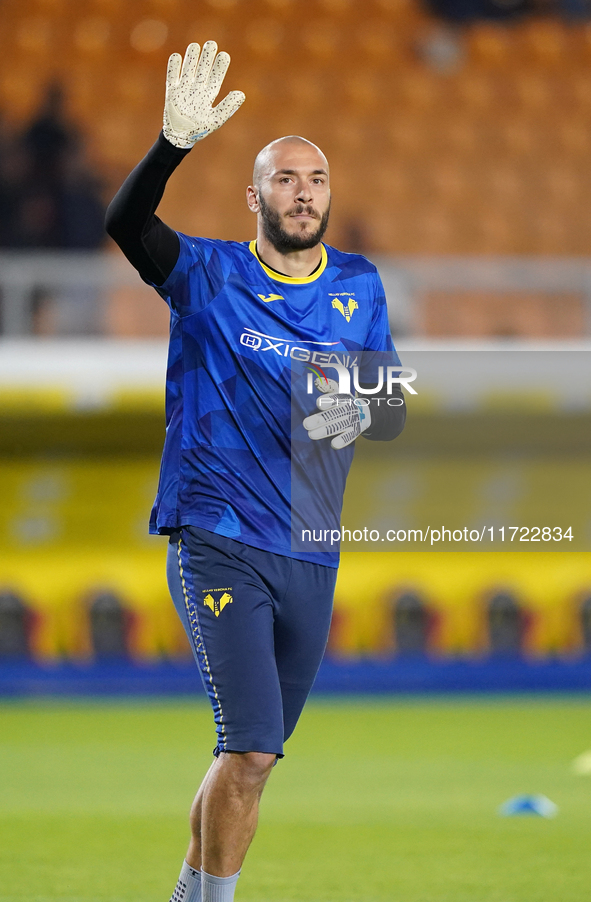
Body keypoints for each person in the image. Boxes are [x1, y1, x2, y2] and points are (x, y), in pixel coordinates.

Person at [105, 41, 406, 902]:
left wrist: (350, 410)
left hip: (310, 548)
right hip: (218, 534)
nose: (302, 191)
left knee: (250, 760)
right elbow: (127, 224)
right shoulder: (208, 274)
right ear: (257, 196)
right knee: (252, 746)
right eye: (284, 178)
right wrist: (170, 146)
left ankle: (188, 895)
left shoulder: (359, 283)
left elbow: (384, 409)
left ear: (328, 197)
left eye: (314, 179)